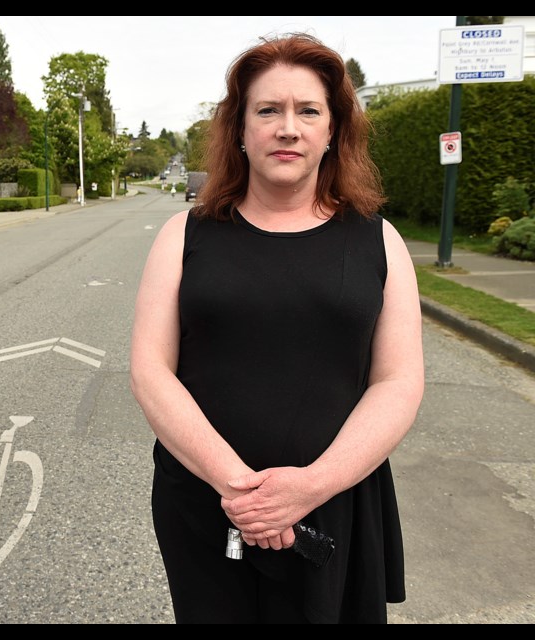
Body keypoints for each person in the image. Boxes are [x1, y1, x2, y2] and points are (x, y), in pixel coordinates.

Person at [129, 33, 424, 624]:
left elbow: (398, 382)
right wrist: (241, 490)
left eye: (308, 111)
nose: (288, 128)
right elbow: (150, 370)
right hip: (206, 504)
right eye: (268, 110)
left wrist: (310, 487)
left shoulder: (378, 241)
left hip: (335, 501)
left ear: (332, 130)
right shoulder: (183, 237)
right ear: (239, 129)